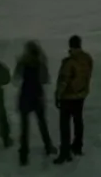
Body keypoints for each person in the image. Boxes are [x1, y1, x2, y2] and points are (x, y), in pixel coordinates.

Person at [13, 40, 57, 166]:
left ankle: (23, 154)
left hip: (25, 95)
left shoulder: (22, 63)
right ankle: (48, 146)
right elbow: (45, 79)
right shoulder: (40, 63)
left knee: (24, 126)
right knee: (42, 122)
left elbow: (16, 78)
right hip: (37, 95)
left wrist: (18, 64)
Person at [53, 34, 93, 165]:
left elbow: (63, 81)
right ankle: (77, 146)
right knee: (78, 121)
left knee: (64, 125)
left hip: (68, 97)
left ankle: (65, 153)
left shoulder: (69, 62)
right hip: (81, 95)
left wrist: (58, 95)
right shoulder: (87, 59)